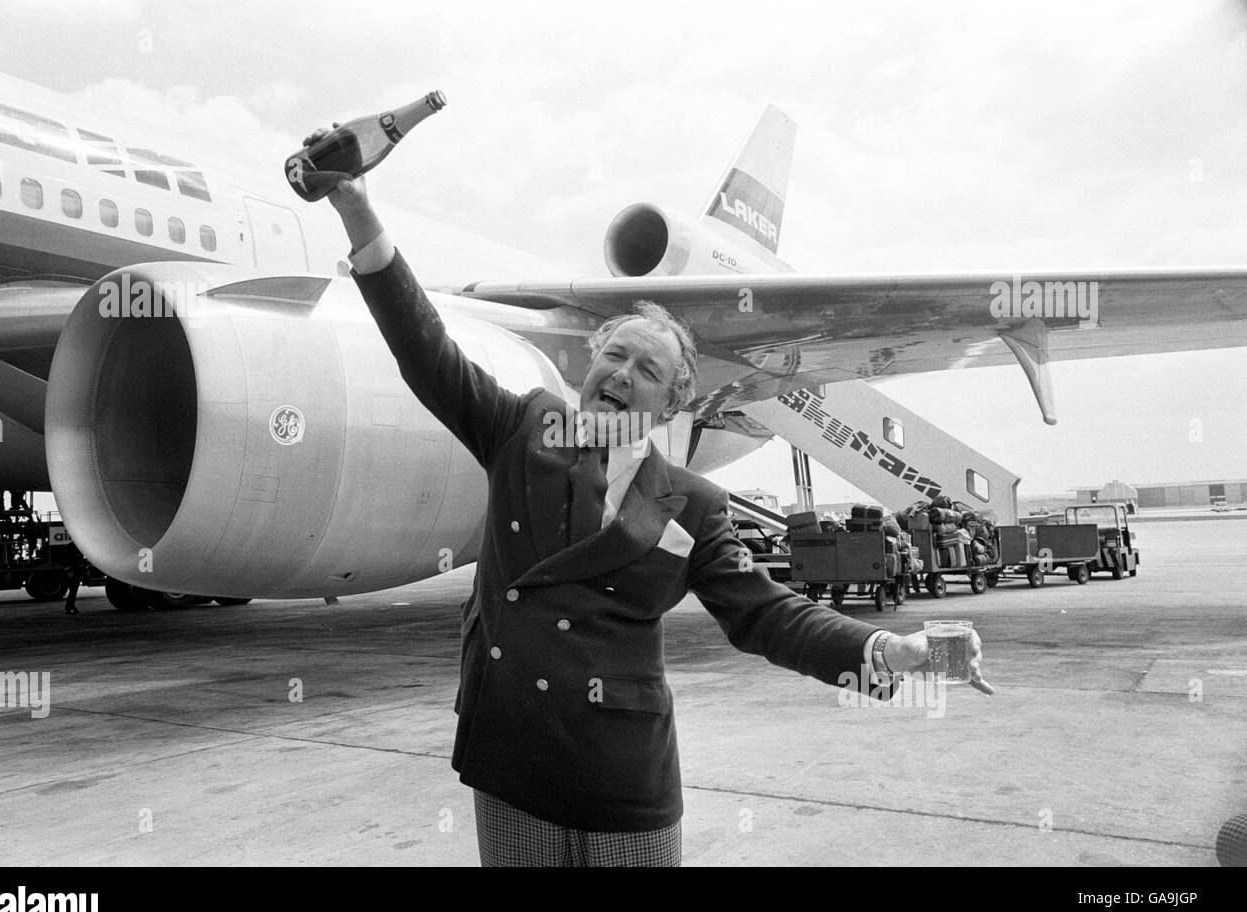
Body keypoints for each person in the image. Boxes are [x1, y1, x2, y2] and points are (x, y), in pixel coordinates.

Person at [307, 127, 993, 866]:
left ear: (672, 402)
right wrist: (356, 208)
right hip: (512, 759)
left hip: (622, 775)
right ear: (588, 367)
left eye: (648, 369)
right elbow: (425, 348)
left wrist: (888, 649)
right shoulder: (520, 429)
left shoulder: (693, 505)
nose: (623, 374)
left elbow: (766, 614)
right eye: (614, 355)